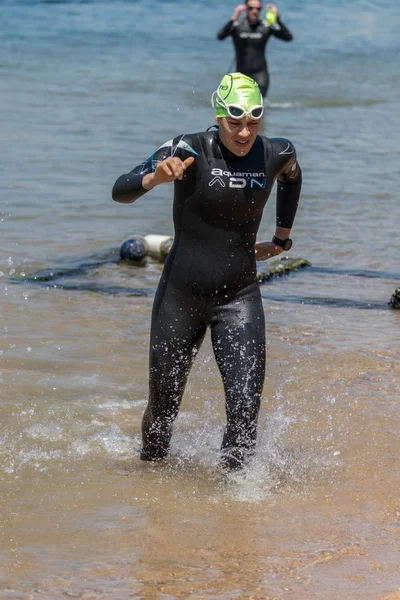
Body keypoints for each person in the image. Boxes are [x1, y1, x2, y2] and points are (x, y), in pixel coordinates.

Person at [112, 73, 302, 470]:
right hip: (181, 297)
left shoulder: (276, 152)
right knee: (162, 415)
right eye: (235, 123)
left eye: (253, 122)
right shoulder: (189, 147)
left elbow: (292, 176)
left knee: (245, 409)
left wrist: (281, 238)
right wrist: (156, 177)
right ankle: (149, 493)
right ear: (219, 117)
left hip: (239, 298)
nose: (245, 132)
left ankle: (233, 512)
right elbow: (121, 189)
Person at [217, 2, 293, 98]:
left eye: (258, 9)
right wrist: (234, 18)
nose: (255, 11)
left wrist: (277, 18)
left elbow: (288, 37)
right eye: (251, 8)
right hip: (241, 75)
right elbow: (220, 36)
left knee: (256, 102)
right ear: (245, 9)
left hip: (260, 74)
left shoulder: (266, 27)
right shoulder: (237, 26)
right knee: (241, 106)